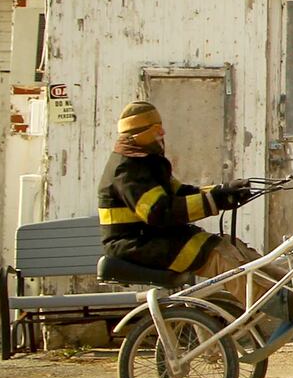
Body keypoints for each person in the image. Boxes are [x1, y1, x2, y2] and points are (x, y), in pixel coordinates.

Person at [97, 99, 257, 277]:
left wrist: (223, 191)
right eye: (156, 129)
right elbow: (159, 211)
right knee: (219, 257)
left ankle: (286, 294)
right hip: (134, 244)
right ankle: (270, 303)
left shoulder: (147, 163)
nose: (162, 132)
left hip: (154, 238)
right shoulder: (126, 170)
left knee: (234, 248)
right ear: (139, 135)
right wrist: (214, 200)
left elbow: (180, 193)